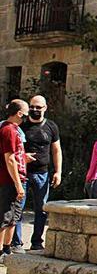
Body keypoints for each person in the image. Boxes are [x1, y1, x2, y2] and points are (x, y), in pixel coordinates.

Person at [12, 95, 61, 252]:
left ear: (45, 108)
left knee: (41, 209)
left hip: (43, 174)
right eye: (32, 107)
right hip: (23, 174)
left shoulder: (51, 127)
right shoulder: (21, 126)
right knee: (18, 208)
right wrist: (22, 158)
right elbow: (11, 151)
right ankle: (16, 243)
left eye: (38, 107)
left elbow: (56, 150)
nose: (34, 110)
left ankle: (37, 242)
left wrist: (58, 171)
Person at [0, 100, 28, 263]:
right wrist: (18, 185)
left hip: (16, 178)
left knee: (13, 217)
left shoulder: (13, 130)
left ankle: (6, 248)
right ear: (19, 113)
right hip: (10, 181)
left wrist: (24, 158)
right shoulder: (9, 130)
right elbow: (9, 159)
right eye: (25, 113)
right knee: (6, 216)